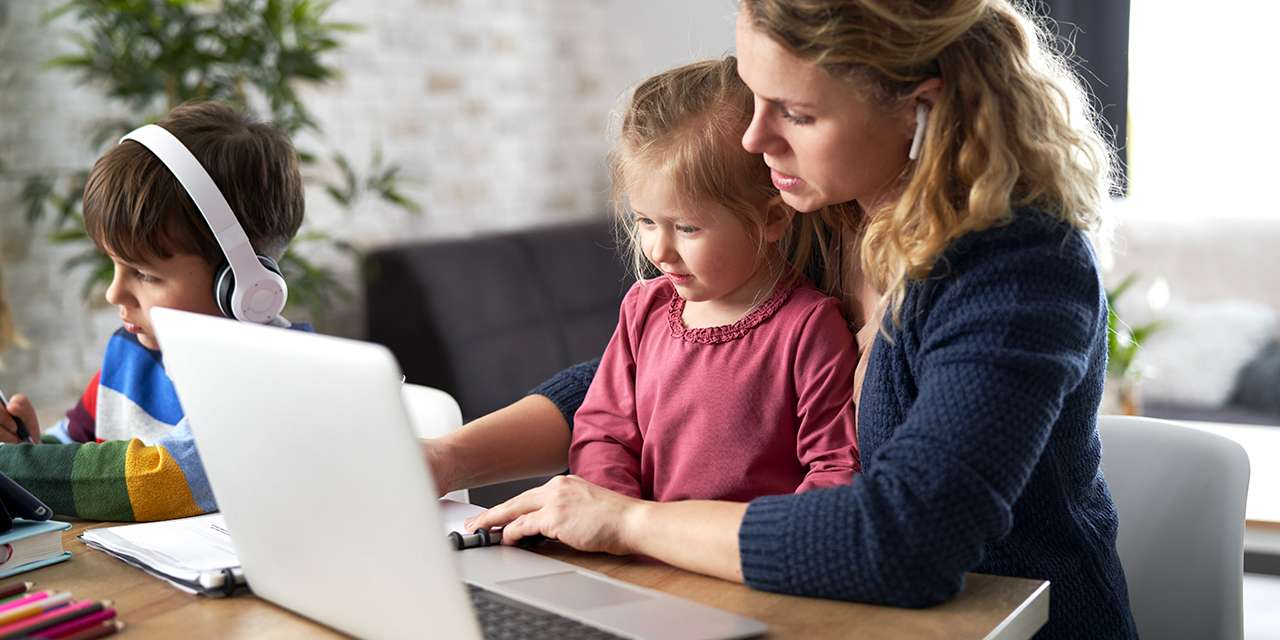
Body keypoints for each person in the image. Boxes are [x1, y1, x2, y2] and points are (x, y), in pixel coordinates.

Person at [429, 1, 1138, 636]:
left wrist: (627, 520)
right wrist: (443, 460)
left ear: (921, 107)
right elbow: (663, 372)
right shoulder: (822, 215)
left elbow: (906, 540)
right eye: (755, 96)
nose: (753, 140)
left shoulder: (1016, 267)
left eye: (796, 113)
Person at [0, 101, 308, 522]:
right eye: (114, 265)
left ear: (242, 283)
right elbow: (76, 448)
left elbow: (167, 479)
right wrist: (28, 449)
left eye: (144, 274)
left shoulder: (275, 369)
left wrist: (10, 468)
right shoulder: (130, 353)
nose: (114, 293)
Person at [572, 57, 860, 503]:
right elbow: (602, 434)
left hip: (741, 565)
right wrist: (615, 521)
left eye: (687, 228)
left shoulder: (809, 330)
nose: (659, 251)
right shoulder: (642, 309)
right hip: (640, 560)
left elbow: (836, 467)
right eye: (646, 221)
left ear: (771, 218)